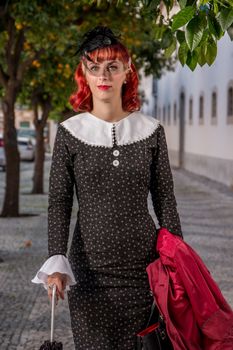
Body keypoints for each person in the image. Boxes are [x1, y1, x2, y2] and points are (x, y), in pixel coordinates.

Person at [32, 26, 182, 350]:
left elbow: (165, 198)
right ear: (83, 74)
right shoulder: (70, 133)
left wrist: (177, 260)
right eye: (94, 67)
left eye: (113, 66)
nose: (104, 75)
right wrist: (56, 260)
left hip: (144, 271)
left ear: (127, 71)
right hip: (89, 273)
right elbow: (59, 201)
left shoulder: (151, 131)